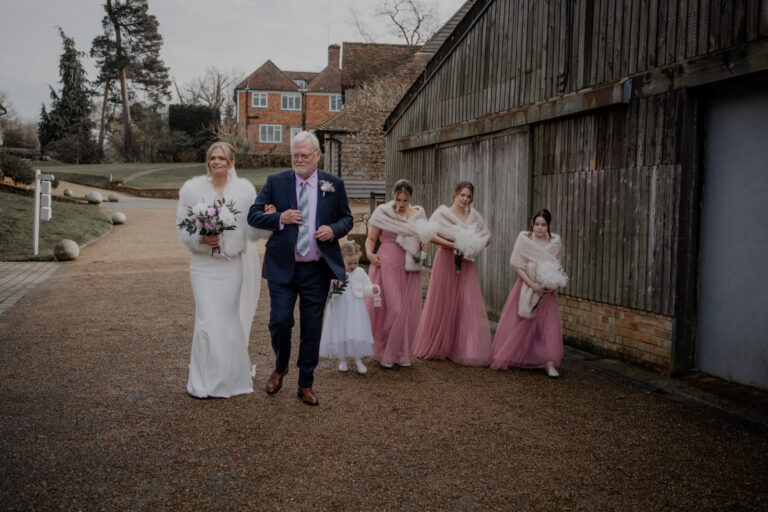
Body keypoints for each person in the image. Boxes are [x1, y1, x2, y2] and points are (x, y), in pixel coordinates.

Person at [247, 131, 353, 406]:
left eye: (305, 155)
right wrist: (279, 218)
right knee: (280, 321)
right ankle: (281, 366)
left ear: (317, 156)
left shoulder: (334, 184)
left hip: (317, 269)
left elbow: (347, 219)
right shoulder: (276, 181)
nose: (299, 160)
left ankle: (306, 381)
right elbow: (253, 215)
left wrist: (333, 230)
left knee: (312, 328)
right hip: (283, 266)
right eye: (295, 155)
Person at [176, 141, 270, 398]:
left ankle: (228, 379)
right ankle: (202, 380)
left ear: (231, 163)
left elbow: (252, 230)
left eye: (221, 158)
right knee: (206, 321)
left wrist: (270, 219)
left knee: (228, 320)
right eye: (212, 158)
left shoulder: (244, 191)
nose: (216, 162)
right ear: (208, 162)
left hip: (231, 266)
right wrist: (200, 239)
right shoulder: (192, 190)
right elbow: (183, 229)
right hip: (203, 266)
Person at [412, 181, 492, 366]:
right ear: (455, 194)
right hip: (446, 260)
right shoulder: (442, 213)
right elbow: (429, 234)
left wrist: (474, 244)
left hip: (466, 263)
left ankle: (463, 347)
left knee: (466, 302)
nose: (465, 199)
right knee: (443, 300)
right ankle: (439, 344)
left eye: (469, 196)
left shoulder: (474, 216)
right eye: (462, 195)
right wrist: (452, 244)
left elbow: (486, 236)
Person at [489, 209, 565, 377]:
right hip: (526, 286)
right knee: (521, 322)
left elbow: (556, 267)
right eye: (537, 224)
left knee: (547, 326)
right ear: (532, 223)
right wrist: (532, 284)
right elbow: (517, 265)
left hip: (547, 291)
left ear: (549, 225)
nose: (539, 228)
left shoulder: (555, 243)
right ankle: (511, 354)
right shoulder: (524, 240)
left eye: (543, 225)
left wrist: (549, 283)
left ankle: (549, 363)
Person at [365, 179, 430, 368]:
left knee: (407, 311)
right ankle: (385, 349)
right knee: (394, 308)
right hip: (387, 263)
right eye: (398, 199)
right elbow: (371, 238)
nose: (401, 204)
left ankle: (400, 352)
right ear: (393, 196)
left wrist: (424, 249)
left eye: (405, 200)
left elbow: (424, 239)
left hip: (409, 265)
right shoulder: (383, 213)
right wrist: (370, 254)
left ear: (411, 198)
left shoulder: (418, 215)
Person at [319, 241, 380, 374]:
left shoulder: (360, 272)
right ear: (342, 259)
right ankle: (342, 360)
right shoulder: (336, 271)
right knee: (341, 331)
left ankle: (358, 360)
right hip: (340, 307)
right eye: (350, 263)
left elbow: (366, 287)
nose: (353, 266)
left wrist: (373, 289)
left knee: (356, 331)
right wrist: (332, 292)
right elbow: (328, 288)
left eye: (356, 262)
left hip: (356, 308)